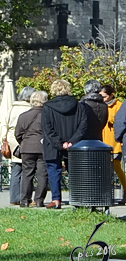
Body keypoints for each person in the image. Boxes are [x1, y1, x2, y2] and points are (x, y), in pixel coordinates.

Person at [42, 78, 89, 207]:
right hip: (74, 145)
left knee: (53, 171)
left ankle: (56, 199)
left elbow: (47, 128)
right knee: (74, 171)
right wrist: (72, 141)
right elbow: (83, 126)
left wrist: (59, 143)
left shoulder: (47, 107)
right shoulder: (79, 105)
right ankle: (77, 197)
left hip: (52, 145)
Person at [14, 90, 49, 208]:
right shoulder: (48, 115)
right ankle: (39, 200)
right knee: (42, 175)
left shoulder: (23, 116)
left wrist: (23, 142)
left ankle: (24, 200)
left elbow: (17, 134)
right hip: (43, 148)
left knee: (26, 174)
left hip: (27, 148)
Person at [4, 87, 35, 207]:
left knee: (16, 170)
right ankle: (25, 198)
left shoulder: (12, 108)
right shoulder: (30, 109)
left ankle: (13, 197)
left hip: (12, 142)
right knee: (27, 171)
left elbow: (5, 125)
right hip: (25, 141)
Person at [101, 85, 126, 204]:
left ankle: (125, 191)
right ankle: (106, 194)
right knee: (105, 170)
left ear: (111, 95)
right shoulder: (101, 105)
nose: (103, 99)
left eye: (104, 97)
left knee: (117, 168)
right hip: (103, 142)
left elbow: (117, 121)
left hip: (114, 143)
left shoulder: (119, 105)